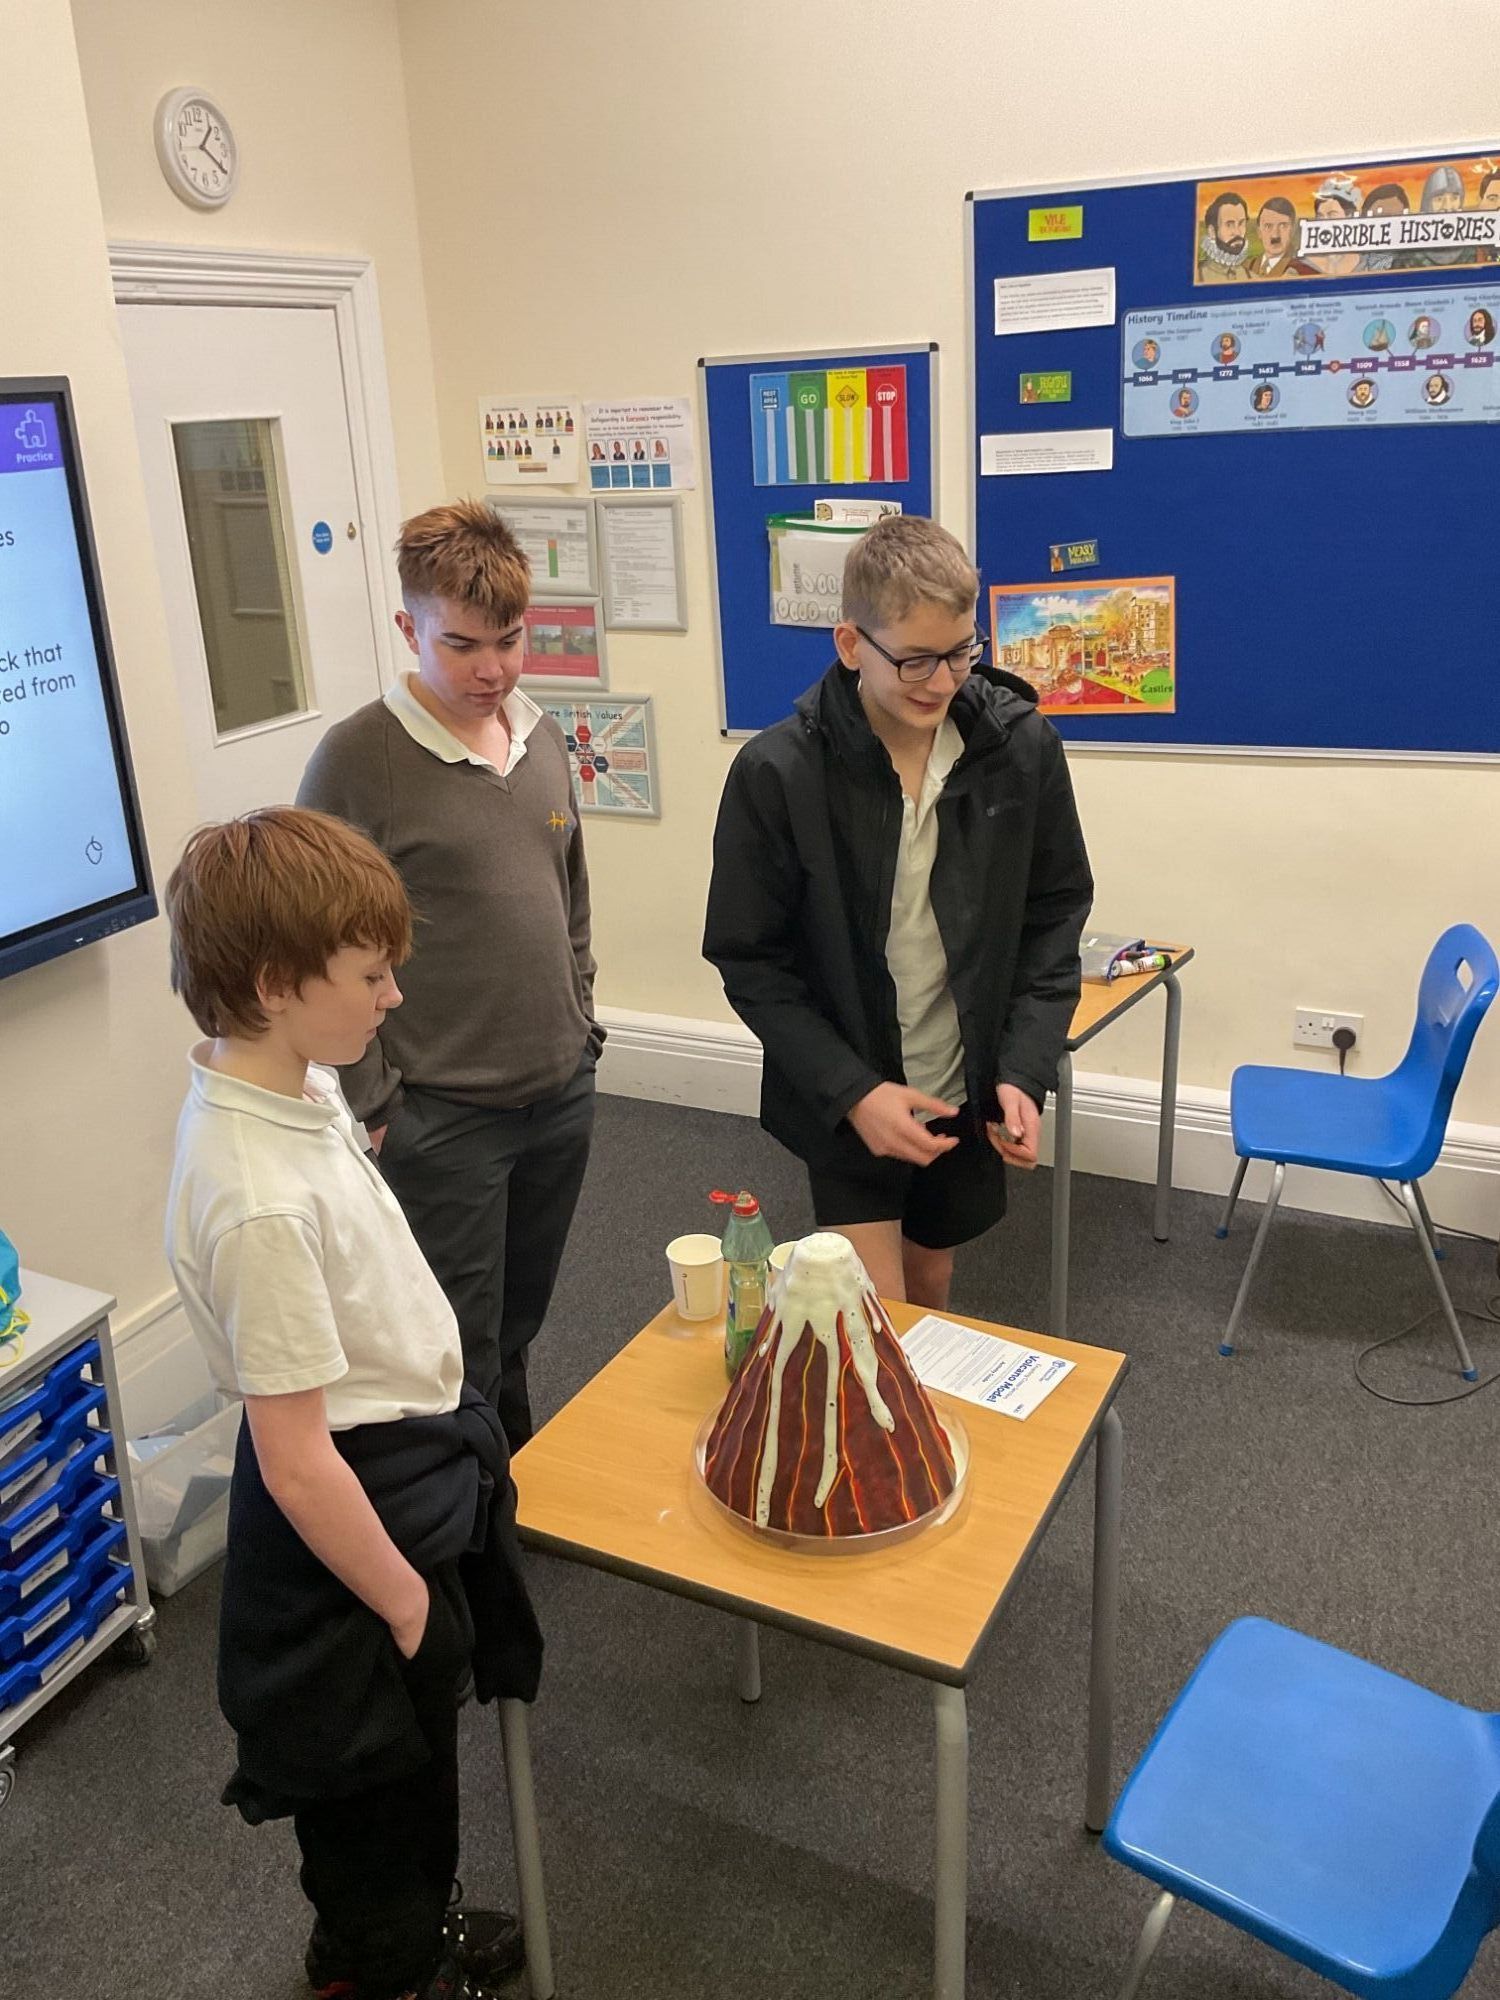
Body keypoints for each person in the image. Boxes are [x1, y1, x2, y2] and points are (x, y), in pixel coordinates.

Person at [164, 807, 542, 2000]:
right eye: (371, 974)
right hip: (343, 1523)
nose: (394, 994)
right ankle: (375, 1964)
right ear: (275, 985)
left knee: (421, 1777)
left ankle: (417, 1927)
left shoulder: (301, 1080)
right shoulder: (258, 1200)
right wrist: (407, 1602)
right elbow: (295, 1460)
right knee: (371, 1802)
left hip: (395, 1465)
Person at [702, 515, 1093, 1308]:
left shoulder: (1020, 749)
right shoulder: (778, 773)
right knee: (874, 1314)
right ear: (851, 644)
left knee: (930, 1284)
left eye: (960, 653)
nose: (941, 683)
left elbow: (1053, 918)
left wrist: (1022, 1070)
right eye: (914, 659)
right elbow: (751, 961)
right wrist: (853, 1092)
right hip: (850, 1084)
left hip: (962, 1083)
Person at [298, 501, 600, 1453]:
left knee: (520, 1321)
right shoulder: (358, 759)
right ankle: (467, 1514)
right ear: (409, 629)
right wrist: (374, 1099)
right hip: (442, 1115)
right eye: (461, 645)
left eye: (509, 642)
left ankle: (507, 1486)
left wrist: (583, 1021)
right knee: (455, 1342)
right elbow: (314, 943)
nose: (492, 670)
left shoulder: (539, 735)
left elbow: (569, 890)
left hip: (560, 1090)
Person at [1246, 196, 1316, 278]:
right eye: (1268, 226)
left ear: (1293, 229)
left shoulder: (1305, 269)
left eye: (1283, 225)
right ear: (1259, 232)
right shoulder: (1246, 266)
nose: (1275, 235)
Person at [1198, 189, 1251, 282]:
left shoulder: (1252, 277)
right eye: (1229, 225)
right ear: (1212, 232)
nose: (1237, 232)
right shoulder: (1198, 276)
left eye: (1241, 223)